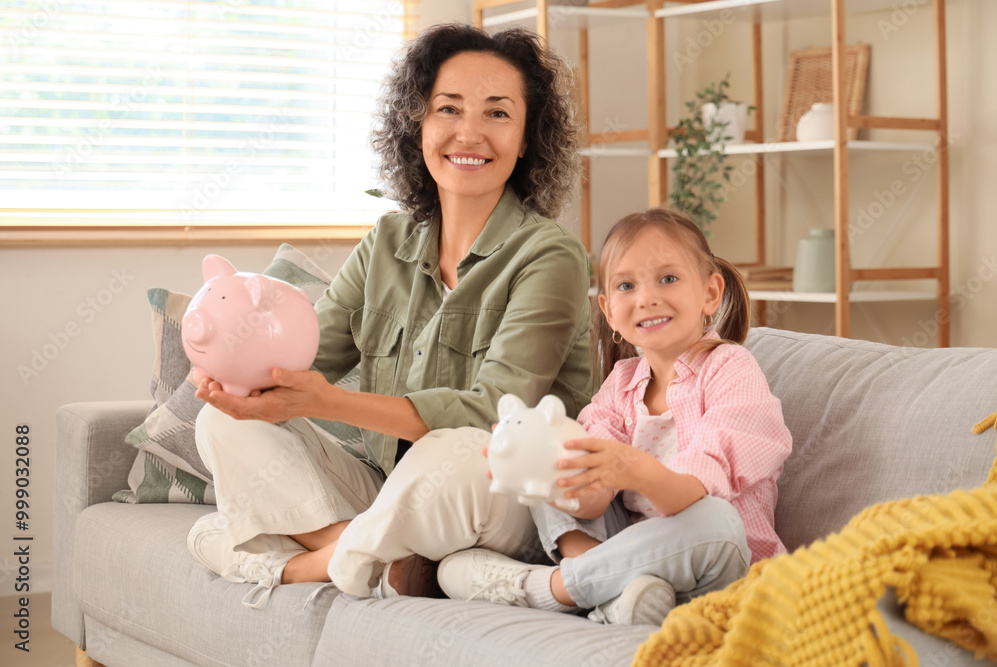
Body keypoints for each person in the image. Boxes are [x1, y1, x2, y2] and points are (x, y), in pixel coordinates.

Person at [186, 23, 593, 608]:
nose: (469, 132)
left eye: (497, 114)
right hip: (391, 494)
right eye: (447, 109)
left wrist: (322, 401)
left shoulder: (550, 256)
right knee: (221, 422)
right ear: (418, 125)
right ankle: (375, 558)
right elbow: (301, 354)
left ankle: (308, 565)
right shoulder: (387, 241)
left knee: (451, 446)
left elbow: (492, 414)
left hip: (504, 491)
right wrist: (234, 375)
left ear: (528, 137)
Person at [436, 208, 793, 625]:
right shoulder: (622, 383)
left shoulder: (730, 369)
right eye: (627, 285)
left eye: (668, 279)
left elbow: (700, 490)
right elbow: (591, 500)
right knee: (561, 454)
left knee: (717, 519)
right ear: (608, 310)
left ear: (711, 294)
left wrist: (633, 469)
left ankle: (558, 590)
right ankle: (619, 593)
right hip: (634, 562)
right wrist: (533, 461)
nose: (646, 298)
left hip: (719, 569)